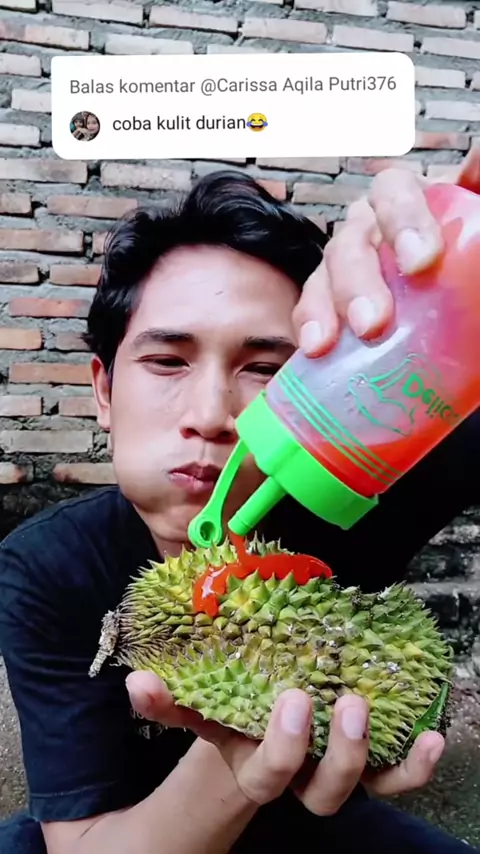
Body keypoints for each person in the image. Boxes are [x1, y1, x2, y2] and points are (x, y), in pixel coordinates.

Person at [0, 151, 479, 854]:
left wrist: (450, 279)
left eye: (266, 368)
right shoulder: (46, 565)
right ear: (104, 390)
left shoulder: (371, 485)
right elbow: (85, 843)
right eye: (167, 361)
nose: (211, 415)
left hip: (316, 824)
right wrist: (246, 752)